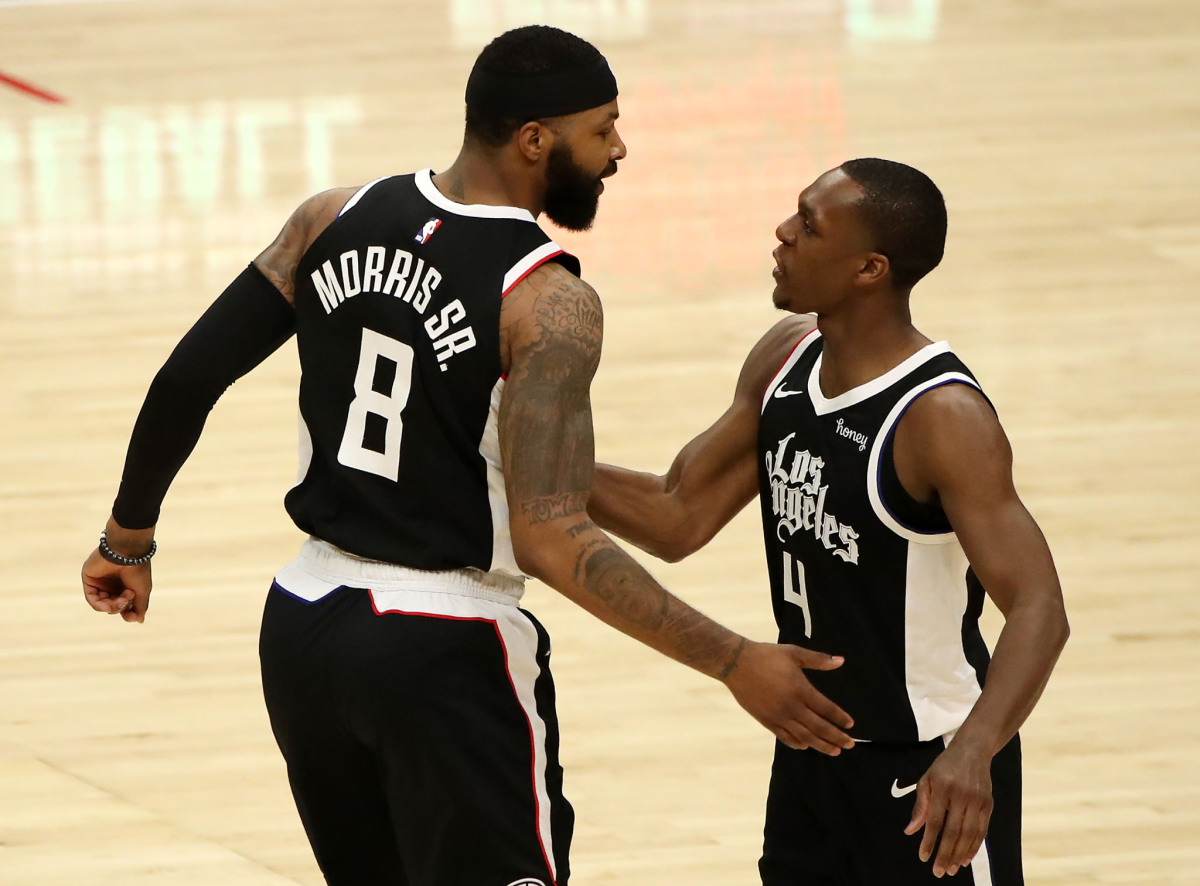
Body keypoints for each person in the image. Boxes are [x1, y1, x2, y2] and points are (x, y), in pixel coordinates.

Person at [79, 26, 856, 886]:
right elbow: (553, 538)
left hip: (303, 627)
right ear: (534, 140)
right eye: (602, 130)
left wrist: (128, 537)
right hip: (443, 649)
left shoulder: (332, 216)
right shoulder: (548, 300)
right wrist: (734, 660)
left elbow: (189, 376)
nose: (618, 149)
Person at [588, 158, 1070, 884]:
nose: (782, 233)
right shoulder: (784, 357)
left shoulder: (942, 417)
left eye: (809, 227)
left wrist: (974, 752)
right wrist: (517, 455)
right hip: (813, 755)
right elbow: (676, 514)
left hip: (930, 767)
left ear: (869, 269)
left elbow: (1040, 608)